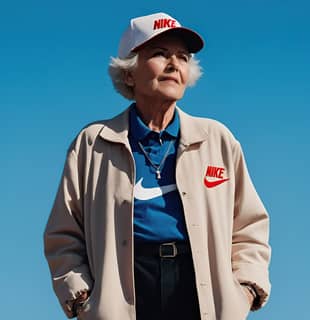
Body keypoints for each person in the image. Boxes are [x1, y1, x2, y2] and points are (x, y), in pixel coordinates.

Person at [44, 12, 271, 320]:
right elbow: (64, 232)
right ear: (128, 74)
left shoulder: (217, 140)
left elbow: (249, 225)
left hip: (200, 289)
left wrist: (245, 289)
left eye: (182, 56)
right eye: (160, 54)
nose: (174, 64)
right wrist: (82, 297)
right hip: (125, 292)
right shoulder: (93, 143)